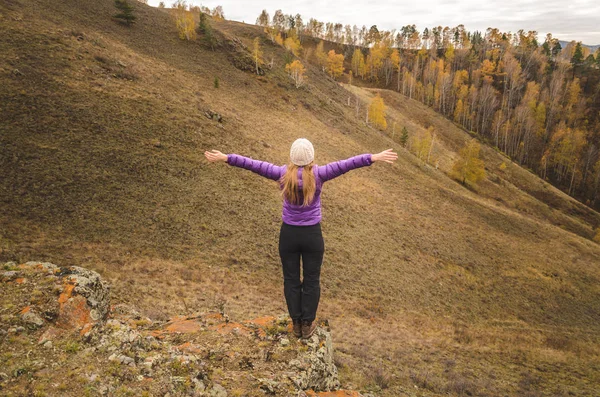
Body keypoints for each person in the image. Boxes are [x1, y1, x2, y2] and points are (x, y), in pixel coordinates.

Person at [204, 138, 397, 338]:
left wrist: (226, 158)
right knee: (312, 280)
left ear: (292, 158)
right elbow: (347, 164)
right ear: (311, 158)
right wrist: (373, 157)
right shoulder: (320, 174)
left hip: (289, 235)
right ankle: (307, 325)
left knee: (291, 279)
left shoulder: (280, 174)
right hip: (312, 235)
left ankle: (296, 324)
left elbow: (252, 164)